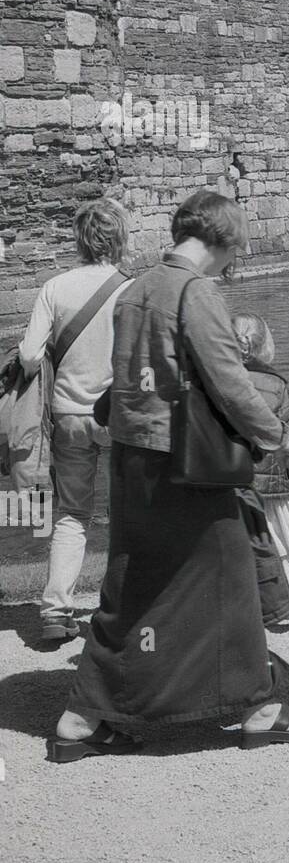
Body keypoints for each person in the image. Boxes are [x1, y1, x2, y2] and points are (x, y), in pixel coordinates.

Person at [48, 189, 289, 762]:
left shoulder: (137, 287)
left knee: (136, 586)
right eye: (234, 250)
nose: (232, 262)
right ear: (222, 241)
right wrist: (285, 444)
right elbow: (232, 384)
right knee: (232, 577)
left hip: (133, 462)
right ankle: (259, 707)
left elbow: (124, 379)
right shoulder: (196, 292)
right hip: (185, 468)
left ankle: (83, 717)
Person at [18, 200, 132, 644]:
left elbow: (29, 355)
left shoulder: (55, 287)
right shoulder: (132, 287)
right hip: (119, 414)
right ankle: (123, 608)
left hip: (67, 416)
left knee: (72, 516)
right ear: (119, 237)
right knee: (129, 514)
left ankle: (55, 610)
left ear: (79, 239)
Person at [231, 313, 289, 626]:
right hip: (272, 479)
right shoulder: (276, 385)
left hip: (233, 478)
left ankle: (244, 602)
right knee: (286, 539)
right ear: (264, 344)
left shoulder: (217, 378)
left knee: (240, 543)